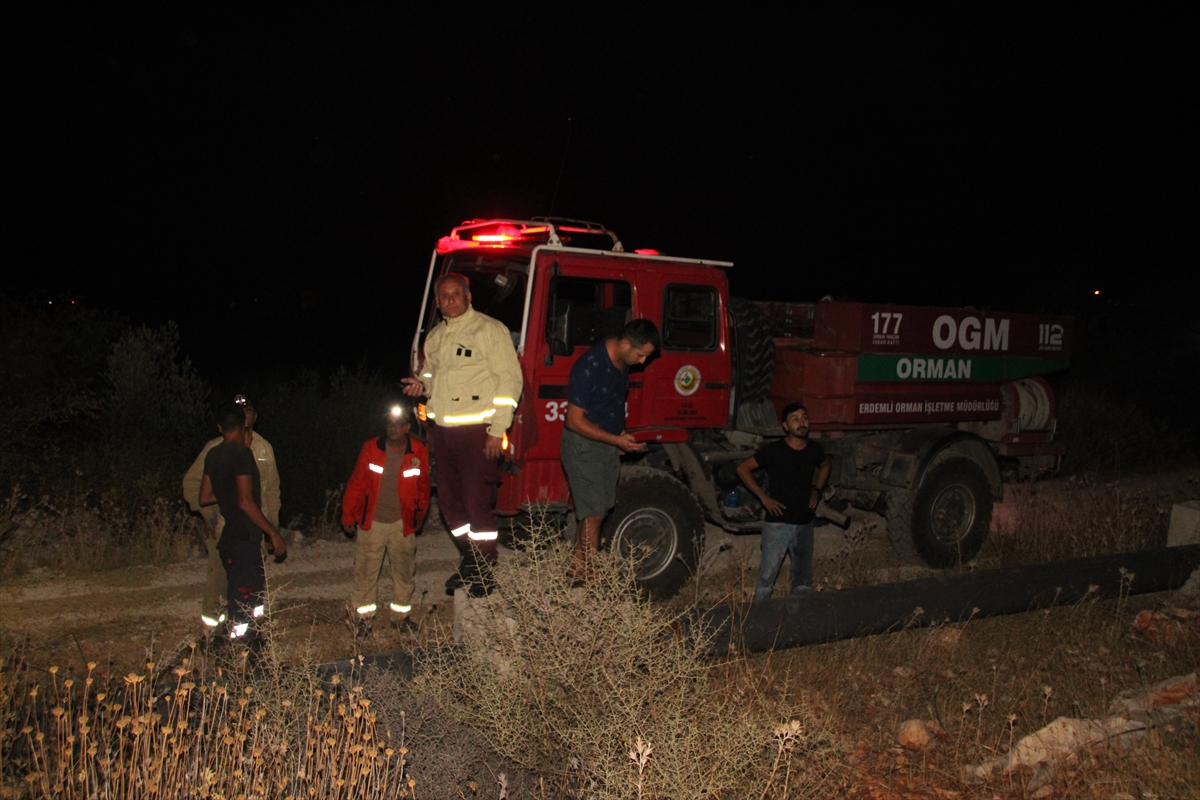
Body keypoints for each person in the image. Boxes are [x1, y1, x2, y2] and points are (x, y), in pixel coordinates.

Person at [402, 273, 522, 595]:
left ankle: (486, 570)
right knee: (450, 506)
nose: (451, 300)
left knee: (475, 503)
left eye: (457, 294)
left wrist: (498, 430)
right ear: (438, 303)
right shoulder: (436, 336)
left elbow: (510, 381)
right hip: (442, 434)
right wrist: (421, 384)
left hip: (477, 434)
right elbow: (430, 373)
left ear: (469, 297)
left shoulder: (489, 330)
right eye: (445, 296)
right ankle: (472, 561)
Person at [560, 319, 659, 583]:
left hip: (605, 444)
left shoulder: (622, 361)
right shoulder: (589, 366)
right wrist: (615, 441)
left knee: (598, 509)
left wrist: (619, 438)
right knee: (592, 514)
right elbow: (574, 420)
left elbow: (611, 405)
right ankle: (594, 580)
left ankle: (577, 570)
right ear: (625, 344)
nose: (641, 362)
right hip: (584, 445)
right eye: (640, 355)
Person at [183, 394, 280, 631]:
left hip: (255, 530)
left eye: (249, 409)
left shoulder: (263, 449)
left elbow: (272, 492)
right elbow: (193, 487)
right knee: (220, 584)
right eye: (239, 410)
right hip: (226, 529)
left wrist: (272, 529)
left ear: (255, 417)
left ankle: (255, 633)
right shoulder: (215, 449)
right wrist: (211, 516)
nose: (245, 414)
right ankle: (212, 634)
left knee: (251, 588)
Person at [341, 403, 431, 633]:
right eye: (389, 424)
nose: (393, 429)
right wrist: (347, 515)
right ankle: (362, 620)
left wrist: (418, 518)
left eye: (398, 424)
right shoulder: (371, 448)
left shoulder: (418, 451)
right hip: (372, 523)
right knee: (365, 572)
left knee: (403, 573)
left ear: (407, 427)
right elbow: (357, 483)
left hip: (402, 523)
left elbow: (423, 488)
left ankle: (401, 619)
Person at [736, 402, 831, 601]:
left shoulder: (814, 449)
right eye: (795, 419)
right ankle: (759, 617)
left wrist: (817, 490)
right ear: (786, 426)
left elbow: (825, 466)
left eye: (804, 417)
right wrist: (763, 498)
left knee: (803, 581)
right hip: (778, 523)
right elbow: (743, 468)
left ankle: (799, 621)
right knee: (766, 580)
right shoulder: (775, 450)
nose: (801, 422)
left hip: (804, 523)